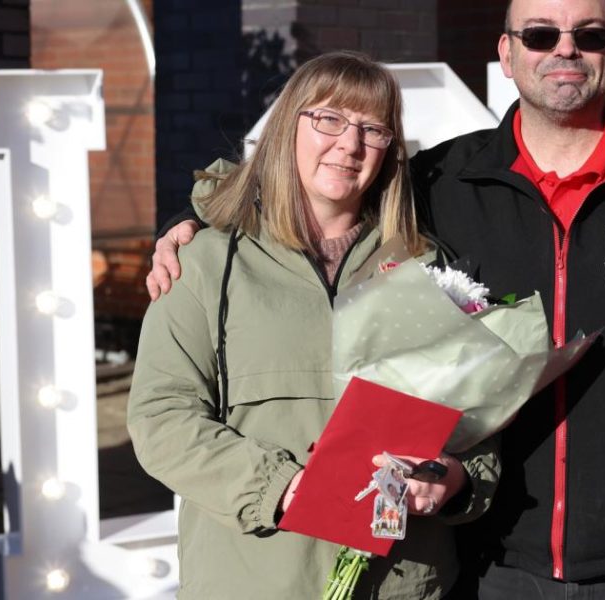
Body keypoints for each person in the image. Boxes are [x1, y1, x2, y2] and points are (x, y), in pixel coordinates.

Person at [148, 1, 605, 597]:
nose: (564, 50)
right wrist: (200, 218)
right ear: (508, 54)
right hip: (494, 556)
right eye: (541, 34)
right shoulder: (442, 183)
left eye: (588, 35)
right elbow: (319, 187)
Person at [128, 51, 498, 600]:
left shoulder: (426, 268)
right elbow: (162, 418)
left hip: (400, 581)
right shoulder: (204, 262)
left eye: (372, 129)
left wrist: (457, 477)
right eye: (329, 119)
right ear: (287, 125)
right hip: (253, 578)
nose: (349, 145)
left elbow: (482, 421)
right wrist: (280, 486)